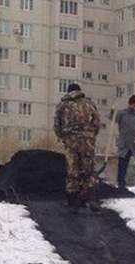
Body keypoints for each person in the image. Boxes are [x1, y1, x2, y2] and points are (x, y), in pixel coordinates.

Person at [54, 83, 102, 214]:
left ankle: (73, 202)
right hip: (87, 142)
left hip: (71, 142)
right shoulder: (89, 104)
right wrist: (91, 135)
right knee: (88, 170)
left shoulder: (62, 105)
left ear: (68, 91)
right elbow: (97, 123)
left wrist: (63, 137)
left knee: (72, 171)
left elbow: (57, 125)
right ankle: (91, 198)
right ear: (79, 91)